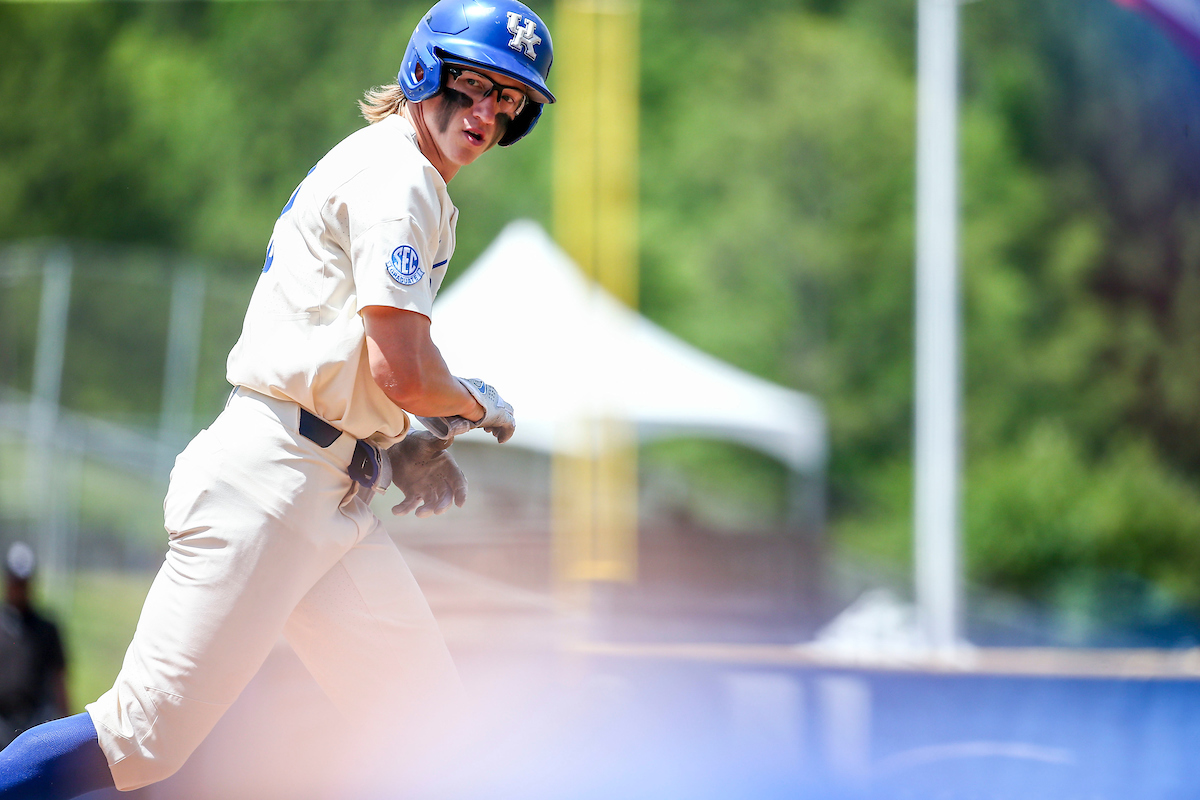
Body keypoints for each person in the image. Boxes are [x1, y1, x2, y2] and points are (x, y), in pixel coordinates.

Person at [0, 0, 554, 795]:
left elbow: (360, 364)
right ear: (423, 71)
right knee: (139, 742)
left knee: (435, 734)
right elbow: (401, 368)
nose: (485, 113)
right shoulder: (401, 177)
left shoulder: (404, 171)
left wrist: (395, 440)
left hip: (331, 486)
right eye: (470, 86)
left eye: (506, 101)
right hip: (273, 479)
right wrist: (472, 404)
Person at [0, 543, 68, 748]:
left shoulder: (46, 629)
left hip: (35, 727)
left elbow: (59, 681)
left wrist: (64, 727)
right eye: (15, 582)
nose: (19, 589)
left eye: (23, 583)